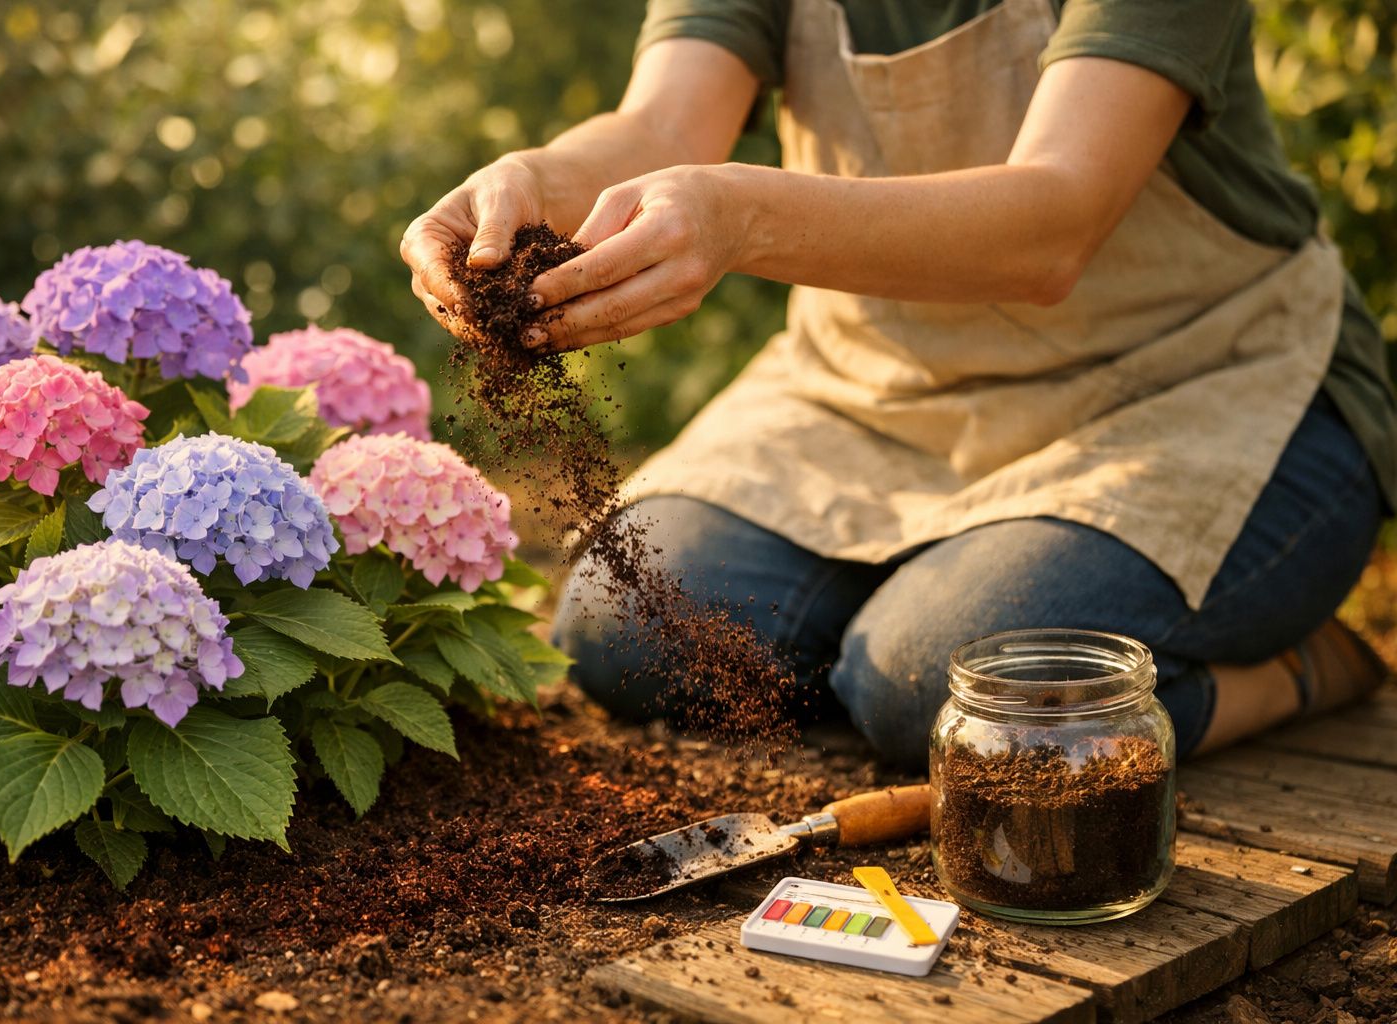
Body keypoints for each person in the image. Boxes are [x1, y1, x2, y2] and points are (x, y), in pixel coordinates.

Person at [402, 0, 1396, 767]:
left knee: (944, 694)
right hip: (876, 390)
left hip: (1189, 384)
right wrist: (536, 182)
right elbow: (661, 121)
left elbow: (1056, 221)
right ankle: (935, 600)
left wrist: (742, 217)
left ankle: (1293, 673)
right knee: (626, 631)